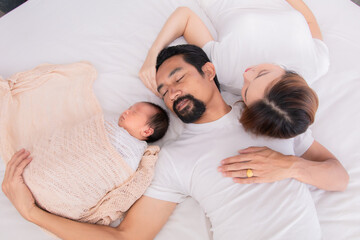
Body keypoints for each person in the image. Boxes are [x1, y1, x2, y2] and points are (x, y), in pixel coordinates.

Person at [2, 43, 348, 239]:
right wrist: (31, 213)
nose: (171, 92)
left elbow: (338, 177)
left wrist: (290, 165)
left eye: (178, 77)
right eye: (163, 90)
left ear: (209, 72)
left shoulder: (266, 113)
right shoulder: (170, 160)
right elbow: (127, 238)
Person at [139, 0, 327, 139]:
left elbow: (185, 17)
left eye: (245, 91)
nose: (247, 74)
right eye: (261, 73)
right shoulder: (316, 65)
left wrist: (153, 54)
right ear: (288, 75)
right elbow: (308, 21)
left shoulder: (226, 71)